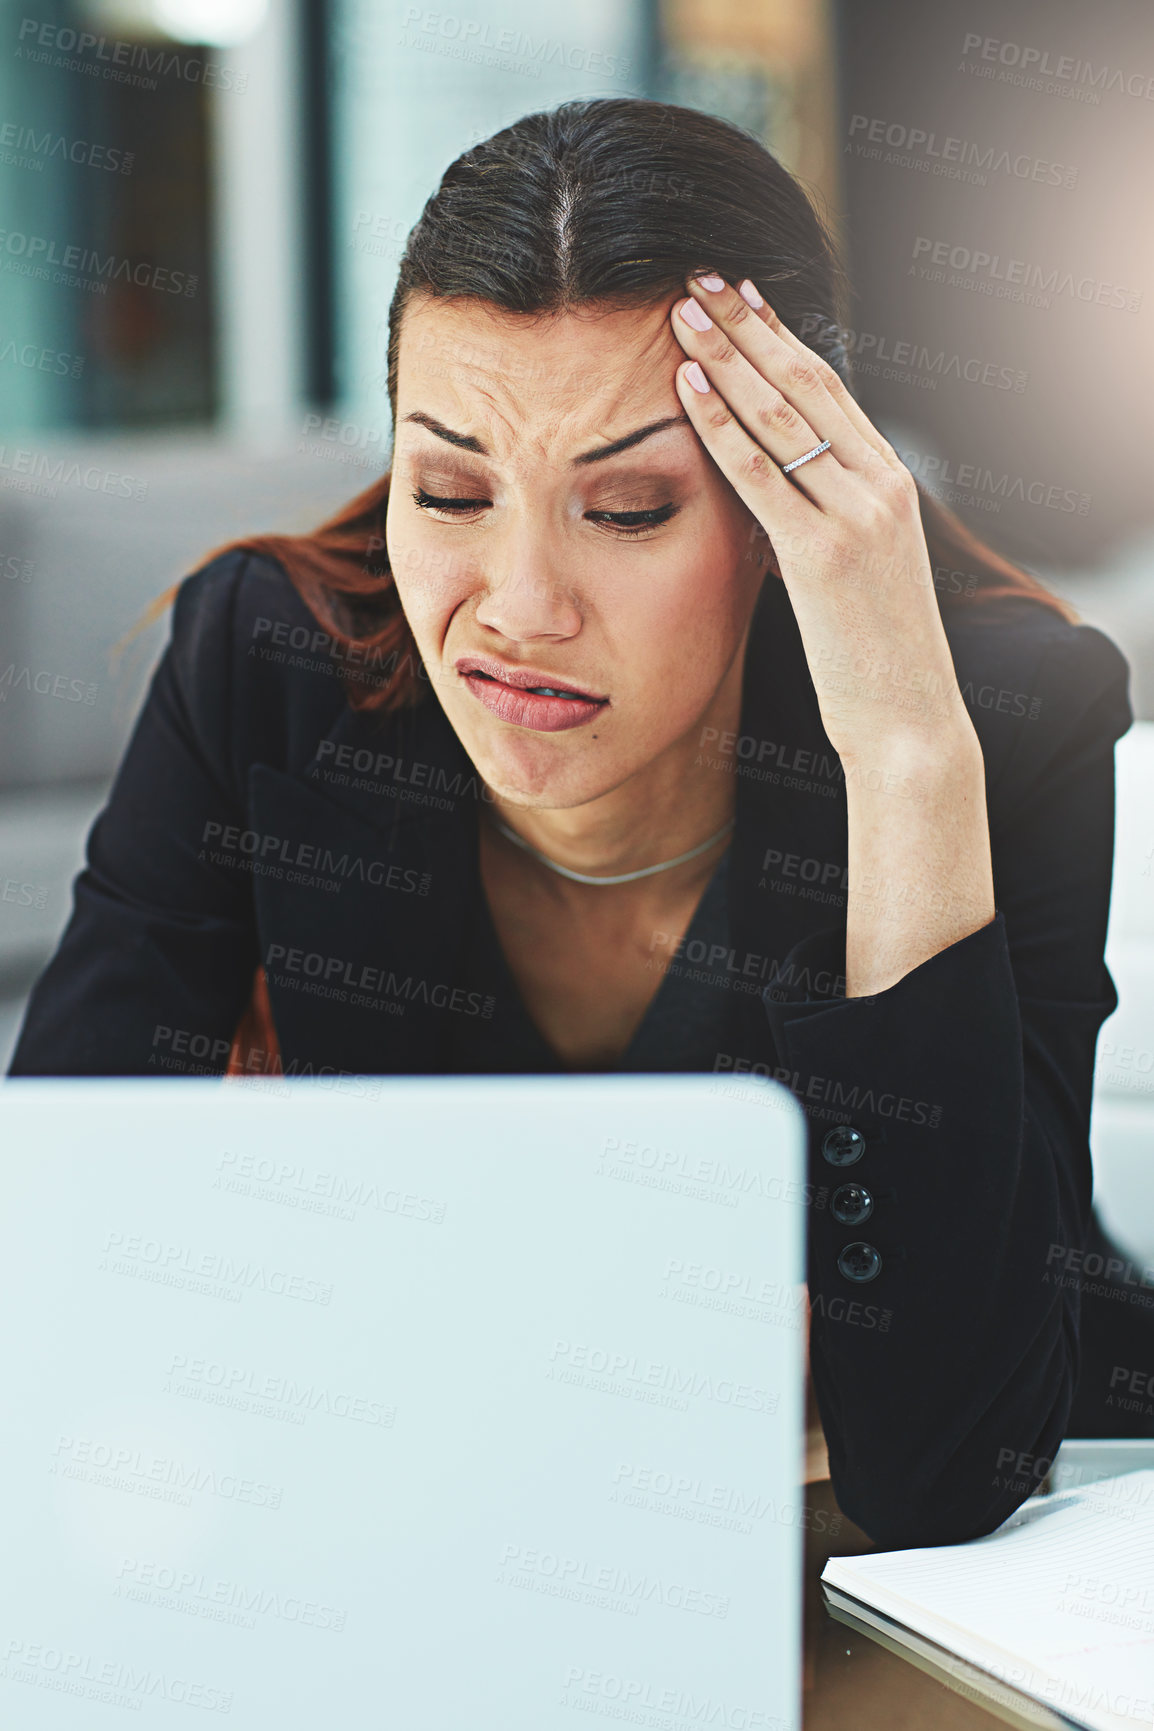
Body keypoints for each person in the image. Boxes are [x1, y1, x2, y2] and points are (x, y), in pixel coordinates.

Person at [10, 97, 1150, 1546]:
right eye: (448, 488)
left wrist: (908, 751)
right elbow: (61, 1251)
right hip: (442, 1519)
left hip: (993, 1536)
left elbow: (941, 1470)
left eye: (624, 509)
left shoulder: (999, 715)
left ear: (783, 494)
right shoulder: (270, 659)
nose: (518, 611)